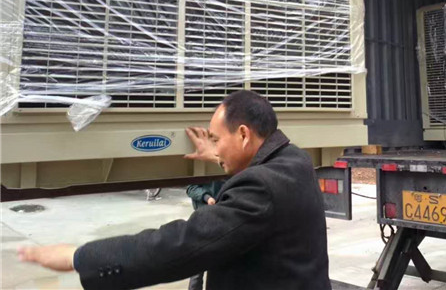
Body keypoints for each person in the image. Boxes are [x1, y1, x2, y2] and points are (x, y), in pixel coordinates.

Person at [18, 90, 331, 290]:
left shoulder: (261, 188)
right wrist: (220, 154)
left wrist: (79, 257)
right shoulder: (295, 160)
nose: (214, 147)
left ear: (244, 135)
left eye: (216, 139)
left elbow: (180, 246)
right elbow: (258, 166)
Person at [185, 179, 225, 290]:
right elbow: (191, 188)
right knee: (198, 266)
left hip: (224, 219)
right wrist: (207, 198)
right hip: (204, 219)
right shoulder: (202, 171)